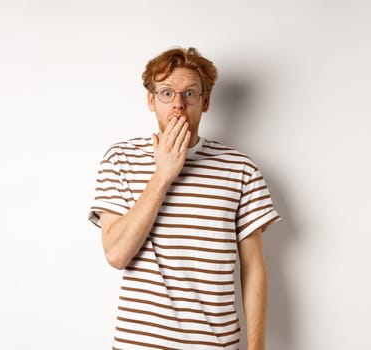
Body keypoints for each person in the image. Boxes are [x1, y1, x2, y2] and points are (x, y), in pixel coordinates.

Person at [87, 47, 280, 350]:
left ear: (205, 102)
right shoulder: (120, 159)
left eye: (189, 94)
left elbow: (253, 268)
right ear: (151, 101)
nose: (178, 104)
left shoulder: (241, 169)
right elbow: (117, 254)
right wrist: (163, 175)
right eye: (166, 93)